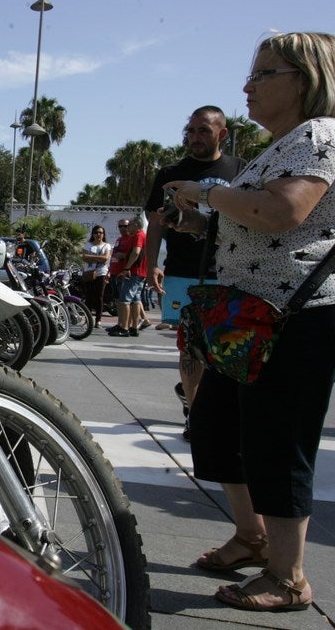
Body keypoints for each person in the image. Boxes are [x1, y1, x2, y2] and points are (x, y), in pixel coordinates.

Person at [167, 31, 335, 613]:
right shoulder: (280, 144)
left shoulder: (319, 136)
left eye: (264, 73)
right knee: (217, 432)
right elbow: (255, 218)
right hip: (248, 315)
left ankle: (289, 578)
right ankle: (251, 535)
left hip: (294, 316)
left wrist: (209, 193)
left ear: (306, 79)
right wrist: (197, 220)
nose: (248, 85)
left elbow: (282, 210)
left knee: (276, 441)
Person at [144, 106, 246, 440]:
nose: (194, 137)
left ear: (222, 134)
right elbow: (156, 224)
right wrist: (152, 263)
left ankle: (219, 411)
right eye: (190, 131)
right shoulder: (172, 173)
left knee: (227, 349)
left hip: (232, 271)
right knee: (190, 347)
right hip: (184, 271)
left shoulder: (240, 169)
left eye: (203, 130)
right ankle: (195, 412)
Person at [108, 217, 147, 337]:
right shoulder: (139, 235)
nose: (127, 227)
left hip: (135, 271)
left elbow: (136, 252)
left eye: (129, 225)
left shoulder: (138, 236)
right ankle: (134, 327)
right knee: (135, 300)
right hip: (139, 272)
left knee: (124, 299)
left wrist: (126, 268)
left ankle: (124, 327)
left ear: (136, 225)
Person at [80, 225, 111, 328]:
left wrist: (91, 257)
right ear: (93, 234)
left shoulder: (107, 245)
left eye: (101, 233)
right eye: (96, 232)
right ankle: (87, 319)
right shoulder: (88, 245)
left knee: (99, 297)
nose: (99, 234)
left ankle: (98, 320)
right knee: (88, 297)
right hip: (89, 273)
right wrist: (99, 258)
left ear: (103, 234)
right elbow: (84, 257)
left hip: (101, 272)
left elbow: (105, 258)